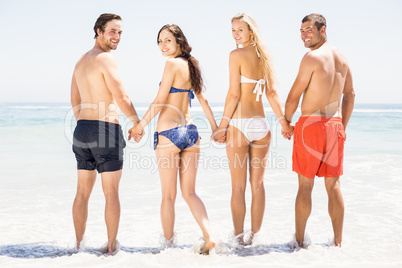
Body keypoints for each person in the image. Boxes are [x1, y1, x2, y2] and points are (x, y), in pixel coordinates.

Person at [129, 24, 216, 254]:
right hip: (191, 134)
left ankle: (168, 248)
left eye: (167, 40)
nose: (163, 46)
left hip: (168, 135)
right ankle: (209, 236)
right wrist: (216, 128)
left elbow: (159, 101)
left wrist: (140, 125)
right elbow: (204, 101)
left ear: (179, 41)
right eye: (159, 41)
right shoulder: (192, 65)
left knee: (168, 196)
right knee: (190, 193)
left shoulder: (171, 64)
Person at [212, 13, 293, 245]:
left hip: (239, 125)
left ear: (250, 31)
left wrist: (222, 126)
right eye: (233, 30)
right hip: (262, 126)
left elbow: (234, 94)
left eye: (240, 30)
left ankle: (239, 239)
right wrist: (284, 123)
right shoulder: (264, 57)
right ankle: (255, 239)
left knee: (238, 187)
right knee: (258, 185)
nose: (236, 34)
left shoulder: (236, 55)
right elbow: (272, 94)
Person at [70, 13, 141, 254]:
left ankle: (79, 247)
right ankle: (111, 248)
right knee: (111, 192)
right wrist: (136, 122)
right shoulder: (106, 59)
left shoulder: (81, 61)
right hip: (105, 130)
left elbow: (75, 99)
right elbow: (121, 96)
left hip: (82, 131)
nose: (117, 37)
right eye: (112, 31)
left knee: (82, 192)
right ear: (98, 31)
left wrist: (85, 125)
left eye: (120, 32)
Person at [283, 13, 355, 247]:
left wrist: (286, 121)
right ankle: (338, 243)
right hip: (334, 126)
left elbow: (293, 96)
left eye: (309, 30)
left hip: (310, 127)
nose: (304, 35)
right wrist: (341, 126)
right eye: (301, 31)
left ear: (323, 30)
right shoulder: (343, 59)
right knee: (333, 186)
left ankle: (299, 242)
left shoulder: (312, 57)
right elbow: (350, 94)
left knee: (305, 185)